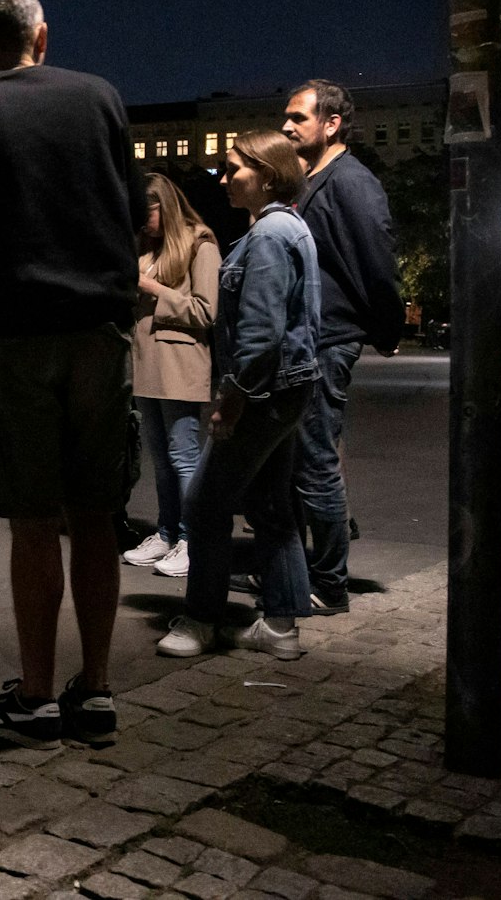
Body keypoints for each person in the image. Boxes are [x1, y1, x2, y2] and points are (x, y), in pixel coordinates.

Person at [0, 0, 144, 749]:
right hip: (101, 331)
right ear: (42, 36)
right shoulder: (102, 98)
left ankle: (39, 693)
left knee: (35, 520)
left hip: (18, 331)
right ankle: (99, 685)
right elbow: (137, 210)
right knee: (97, 514)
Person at [157, 130, 322, 661]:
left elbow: (260, 332)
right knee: (271, 505)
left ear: (267, 174)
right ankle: (280, 626)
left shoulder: (271, 236)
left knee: (203, 504)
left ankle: (201, 619)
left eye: (233, 170)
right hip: (286, 389)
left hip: (265, 391)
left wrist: (233, 396)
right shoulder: (283, 228)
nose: (223, 179)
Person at [279, 80, 403, 614]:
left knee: (316, 462)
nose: (286, 126)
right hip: (307, 338)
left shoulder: (350, 181)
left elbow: (379, 258)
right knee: (301, 460)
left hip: (328, 339)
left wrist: (387, 326)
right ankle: (302, 572)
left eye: (297, 118)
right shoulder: (309, 180)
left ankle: (329, 586)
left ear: (331, 124)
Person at [122, 174, 218, 579]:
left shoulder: (201, 243)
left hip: (180, 367)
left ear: (166, 205)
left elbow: (205, 310)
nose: (144, 222)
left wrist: (153, 288)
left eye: (148, 213)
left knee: (183, 457)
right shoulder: (148, 247)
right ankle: (166, 533)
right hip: (146, 366)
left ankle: (192, 539)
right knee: (161, 460)